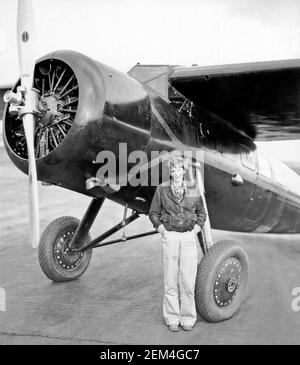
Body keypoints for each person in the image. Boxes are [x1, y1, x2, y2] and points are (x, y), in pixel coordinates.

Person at [148, 155, 207, 332]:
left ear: (184, 170)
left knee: (188, 281)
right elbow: (153, 213)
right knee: (171, 280)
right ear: (170, 171)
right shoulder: (161, 189)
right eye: (173, 169)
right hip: (170, 237)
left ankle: (188, 318)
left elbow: (202, 214)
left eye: (179, 168)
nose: (176, 172)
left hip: (188, 237)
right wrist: (162, 231)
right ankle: (172, 318)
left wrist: (195, 230)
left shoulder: (193, 188)